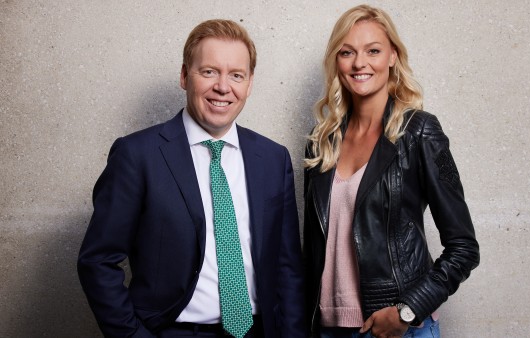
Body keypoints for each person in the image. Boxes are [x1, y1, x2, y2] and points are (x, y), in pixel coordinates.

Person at [78, 19, 306, 338]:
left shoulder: (272, 158)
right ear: (185, 76)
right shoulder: (138, 155)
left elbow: (288, 269)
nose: (223, 87)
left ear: (249, 83)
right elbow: (98, 261)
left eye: (236, 75)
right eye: (209, 71)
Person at [303, 5, 480, 338]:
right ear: (336, 60)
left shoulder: (420, 133)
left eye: (373, 50)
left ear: (392, 57)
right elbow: (311, 249)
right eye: (347, 52)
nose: (359, 63)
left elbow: (464, 248)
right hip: (328, 328)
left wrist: (407, 311)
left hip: (394, 328)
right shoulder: (321, 142)